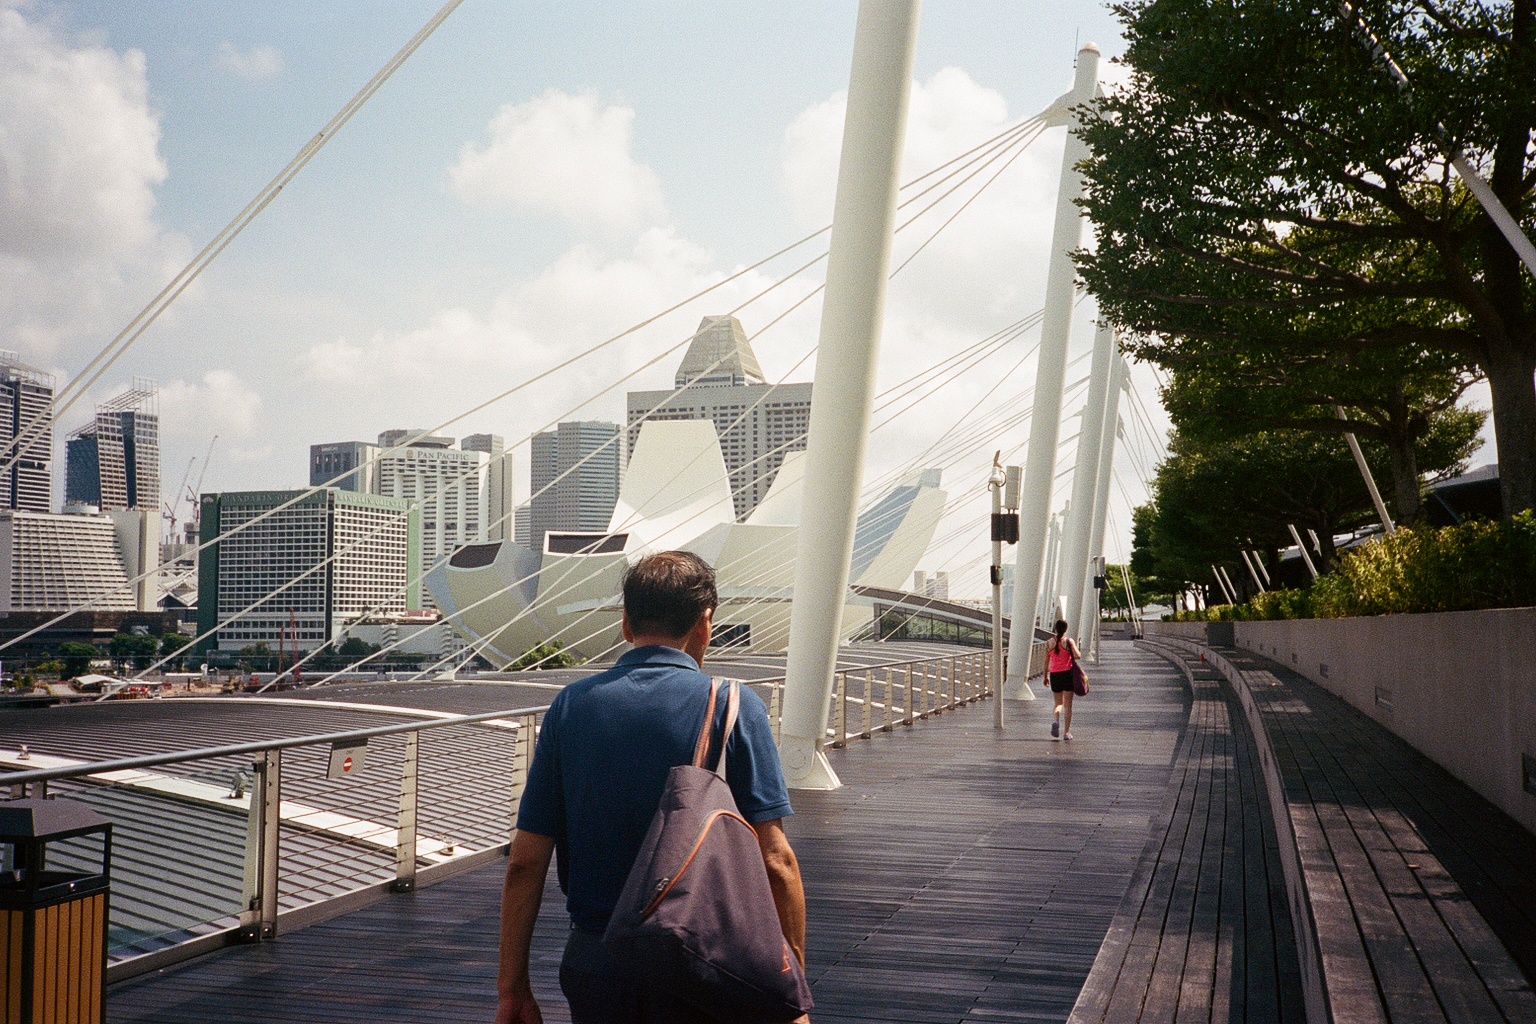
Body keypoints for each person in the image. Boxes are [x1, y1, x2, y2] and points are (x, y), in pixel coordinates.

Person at [494, 550, 809, 1024]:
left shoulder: (570, 706)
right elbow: (776, 861)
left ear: (626, 623)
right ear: (704, 624)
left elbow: (524, 863)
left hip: (596, 961)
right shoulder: (734, 705)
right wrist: (790, 987)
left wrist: (512, 990)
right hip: (702, 960)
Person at [1045, 618, 1080, 741]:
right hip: (1067, 674)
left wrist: (1045, 677)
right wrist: (1070, 654)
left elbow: (1046, 662)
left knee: (1058, 703)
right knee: (1068, 705)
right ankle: (1066, 733)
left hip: (1054, 675)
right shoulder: (1068, 642)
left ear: (1055, 629)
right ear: (1065, 629)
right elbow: (1078, 655)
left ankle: (1055, 720)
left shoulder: (1049, 643)